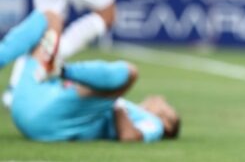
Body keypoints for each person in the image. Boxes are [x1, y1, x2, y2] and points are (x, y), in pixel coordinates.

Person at [8, 12, 180, 142]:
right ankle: (53, 69)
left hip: (48, 119)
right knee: (50, 19)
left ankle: (62, 70)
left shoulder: (154, 124)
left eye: (167, 108)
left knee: (130, 73)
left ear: (167, 123)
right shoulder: (132, 109)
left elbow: (129, 136)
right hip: (28, 100)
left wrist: (116, 101)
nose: (161, 99)